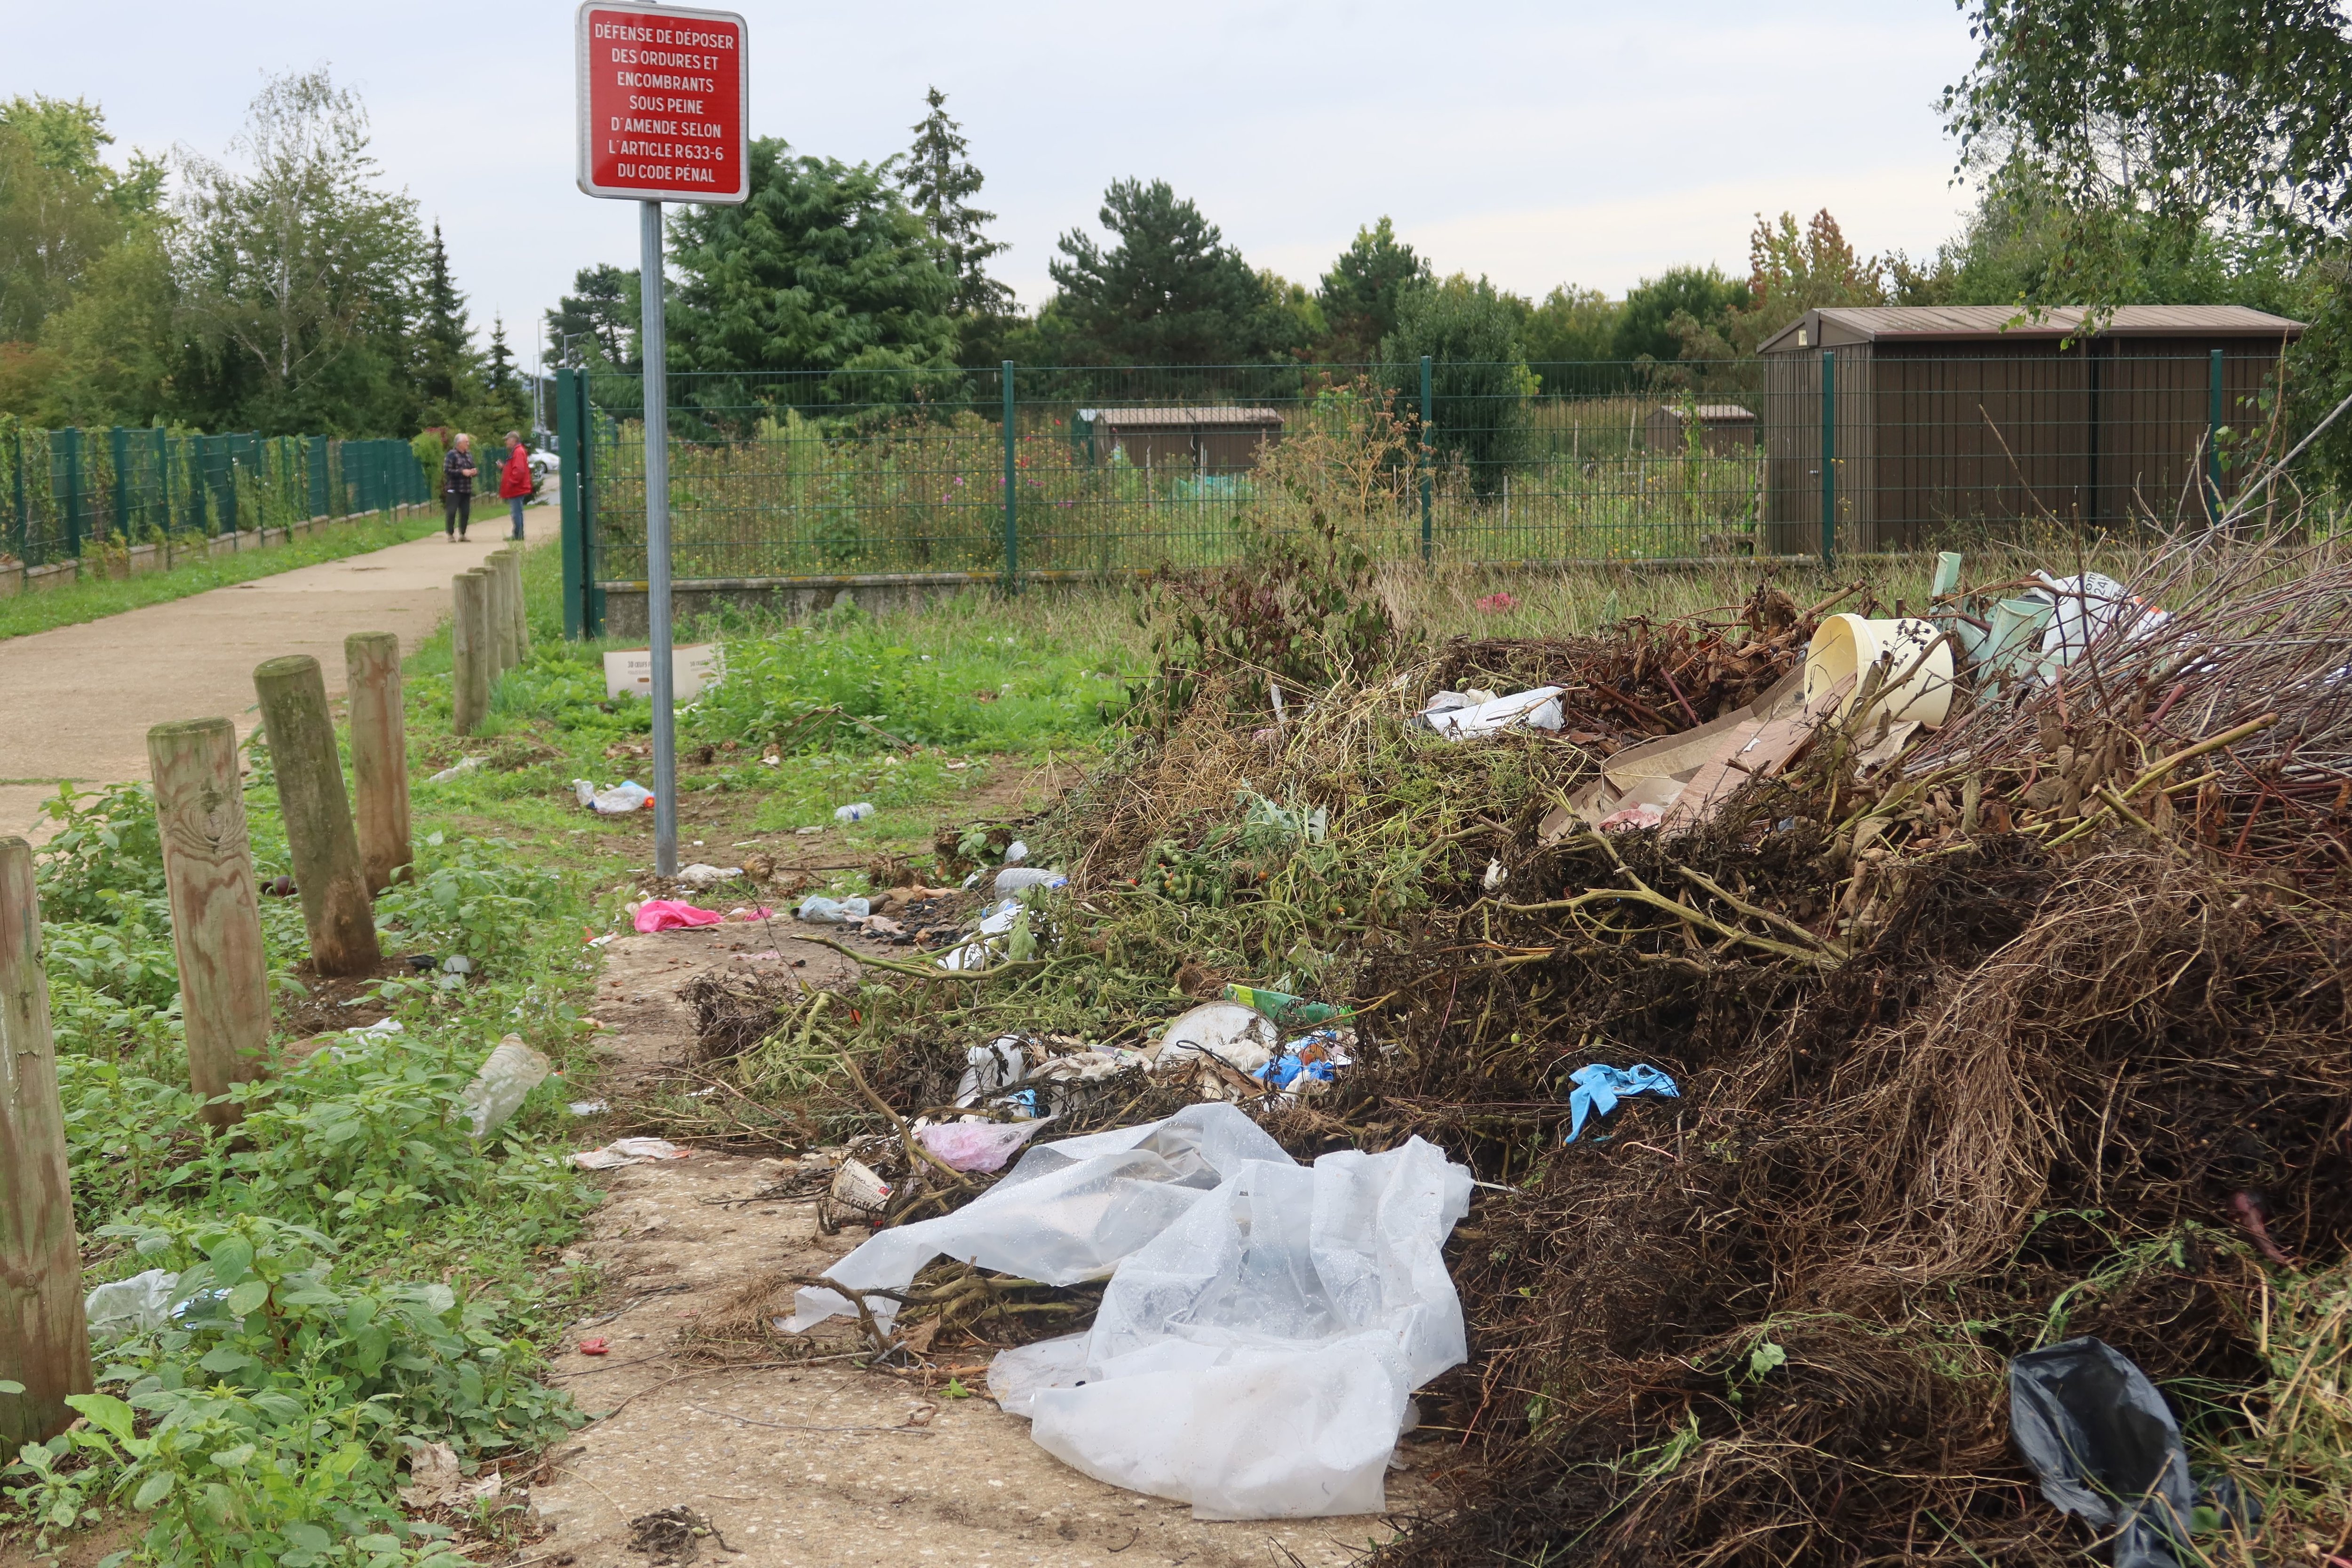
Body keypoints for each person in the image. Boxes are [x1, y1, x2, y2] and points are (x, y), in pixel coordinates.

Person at [442, 433, 478, 541]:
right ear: (459, 443)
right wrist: (462, 472)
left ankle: (463, 534)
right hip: (454, 488)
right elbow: (447, 470)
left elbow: (473, 467)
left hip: (466, 489)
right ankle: (450, 534)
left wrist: (474, 471)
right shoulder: (451, 455)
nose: (468, 444)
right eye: (466, 442)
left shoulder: (469, 455)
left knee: (466, 512)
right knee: (452, 511)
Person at [499, 430, 533, 541]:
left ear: (513, 440)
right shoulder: (518, 451)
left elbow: (519, 471)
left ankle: (518, 535)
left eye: (507, 440)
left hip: (516, 488)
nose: (506, 442)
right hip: (517, 487)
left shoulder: (518, 452)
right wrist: (505, 468)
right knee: (517, 511)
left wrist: (511, 482)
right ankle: (518, 534)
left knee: (516, 512)